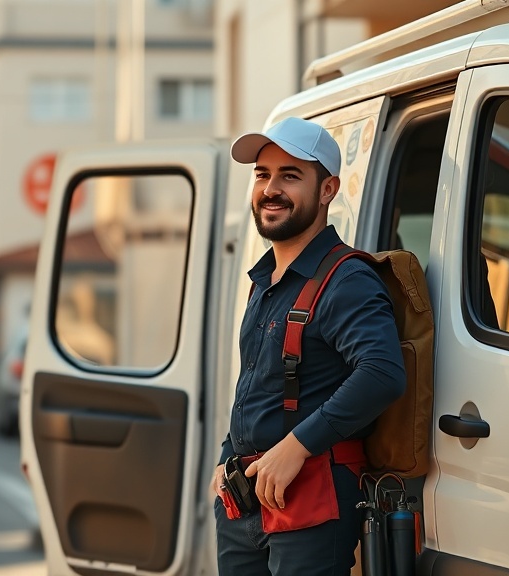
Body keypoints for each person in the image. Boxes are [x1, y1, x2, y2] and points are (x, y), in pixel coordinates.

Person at [210, 116, 406, 575]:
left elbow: (381, 373)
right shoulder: (266, 280)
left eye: (290, 175)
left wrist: (296, 447)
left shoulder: (347, 279)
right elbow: (255, 383)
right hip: (245, 499)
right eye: (262, 175)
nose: (271, 188)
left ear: (327, 190)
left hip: (312, 495)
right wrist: (226, 457)